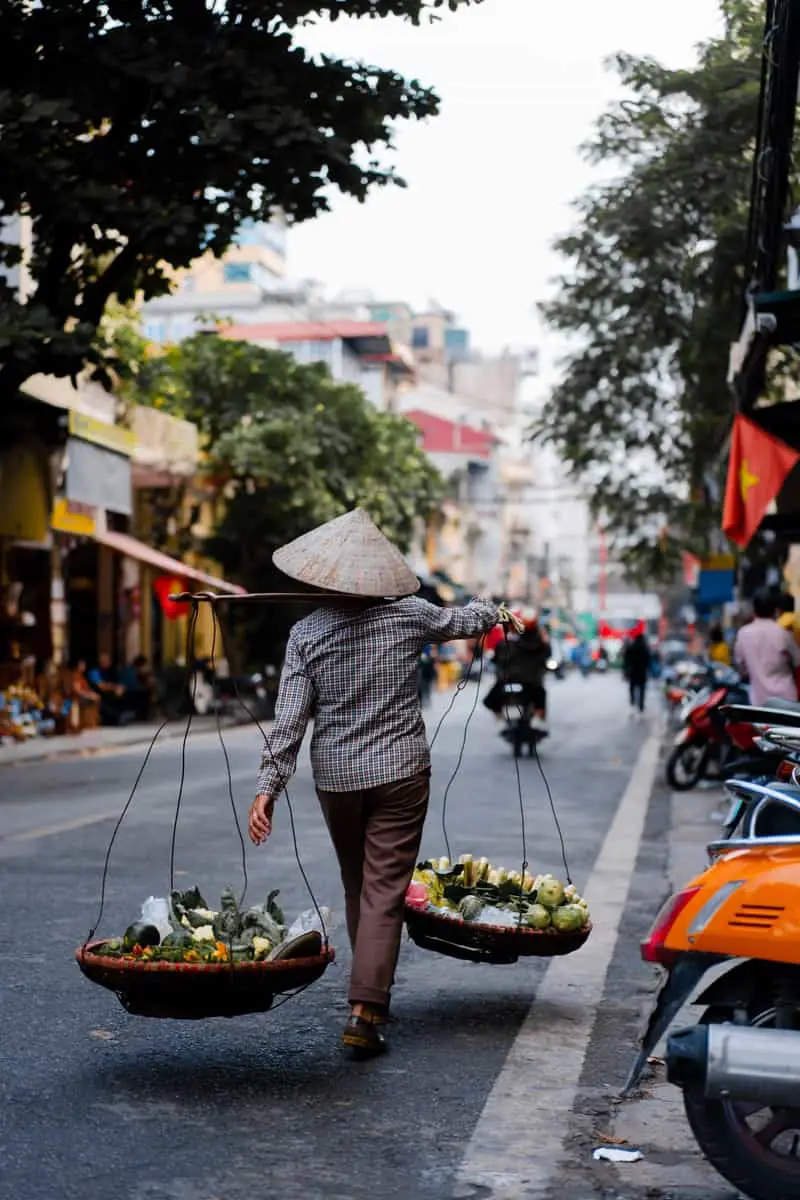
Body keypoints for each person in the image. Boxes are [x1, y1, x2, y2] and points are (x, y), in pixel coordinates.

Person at [247, 509, 516, 1059]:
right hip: (400, 773)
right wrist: (498, 613)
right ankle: (366, 1006)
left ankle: (367, 994)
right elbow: (464, 621)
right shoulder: (409, 615)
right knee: (384, 888)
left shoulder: (306, 633)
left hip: (338, 779)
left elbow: (290, 719)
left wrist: (267, 787)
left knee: (359, 884)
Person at [734, 588, 800, 706]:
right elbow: (797, 661)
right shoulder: (782, 632)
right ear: (775, 610)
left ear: (754, 610)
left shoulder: (743, 634)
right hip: (787, 700)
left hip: (759, 701)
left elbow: (741, 667)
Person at [484, 616, 550, 732]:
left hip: (509, 680)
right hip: (527, 681)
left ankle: (501, 718)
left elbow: (494, 659)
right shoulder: (537, 643)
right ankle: (537, 718)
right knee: (540, 694)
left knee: (490, 699)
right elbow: (545, 654)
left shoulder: (505, 643)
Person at [623, 632, 651, 715]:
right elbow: (648, 660)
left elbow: (626, 660)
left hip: (633, 671)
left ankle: (632, 700)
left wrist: (626, 671)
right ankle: (641, 704)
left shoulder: (631, 647)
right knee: (642, 689)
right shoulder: (645, 648)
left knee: (632, 686)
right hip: (642, 672)